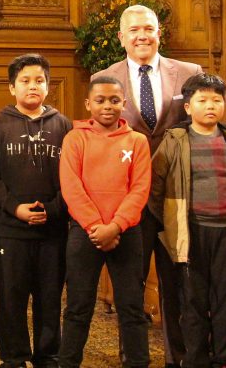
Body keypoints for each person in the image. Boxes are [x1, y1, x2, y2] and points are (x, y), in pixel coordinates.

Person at [93, 4, 202, 367]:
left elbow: (199, 127)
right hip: (128, 200)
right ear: (121, 37)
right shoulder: (104, 77)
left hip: (176, 198)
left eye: (149, 28)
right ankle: (133, 356)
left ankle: (180, 358)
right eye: (134, 30)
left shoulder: (189, 73)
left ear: (159, 33)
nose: (142, 35)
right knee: (129, 286)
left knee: (178, 285)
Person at [148, 73, 226, 368]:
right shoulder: (174, 141)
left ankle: (222, 358)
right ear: (188, 107)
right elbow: (154, 190)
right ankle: (195, 359)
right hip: (192, 232)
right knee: (193, 302)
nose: (210, 105)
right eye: (202, 100)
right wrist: (171, 225)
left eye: (217, 99)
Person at [0, 54, 71, 368]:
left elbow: (73, 174)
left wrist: (55, 208)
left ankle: (48, 355)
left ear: (48, 86)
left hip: (52, 229)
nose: (33, 86)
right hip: (11, 229)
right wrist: (15, 208)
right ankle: (14, 357)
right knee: (11, 298)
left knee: (49, 297)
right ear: (12, 87)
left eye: (39, 80)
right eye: (25, 81)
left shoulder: (63, 125)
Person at [58, 76, 151, 368]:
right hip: (85, 233)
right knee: (78, 306)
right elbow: (71, 186)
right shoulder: (75, 138)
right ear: (88, 104)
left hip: (126, 232)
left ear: (124, 103)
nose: (107, 106)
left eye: (114, 100)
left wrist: (116, 226)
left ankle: (137, 362)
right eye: (100, 100)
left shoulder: (137, 141)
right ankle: (68, 362)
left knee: (132, 306)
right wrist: (95, 226)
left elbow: (140, 189)